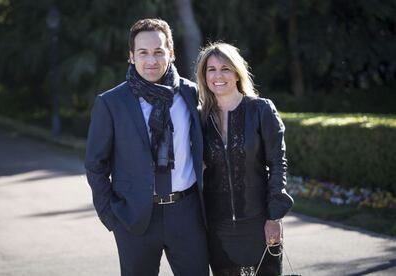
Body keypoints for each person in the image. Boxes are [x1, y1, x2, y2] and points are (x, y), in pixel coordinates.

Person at [85, 18, 209, 276]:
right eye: (143, 53)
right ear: (131, 56)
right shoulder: (111, 103)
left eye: (158, 52)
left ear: (171, 54)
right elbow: (96, 164)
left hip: (186, 213)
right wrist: (112, 217)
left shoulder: (191, 93)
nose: (151, 60)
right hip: (134, 217)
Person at [196, 42, 294, 276]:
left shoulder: (261, 110)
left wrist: (274, 216)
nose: (218, 76)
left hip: (259, 222)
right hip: (218, 227)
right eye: (211, 69)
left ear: (237, 73)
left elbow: (278, 164)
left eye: (225, 69)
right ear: (204, 76)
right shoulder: (200, 119)